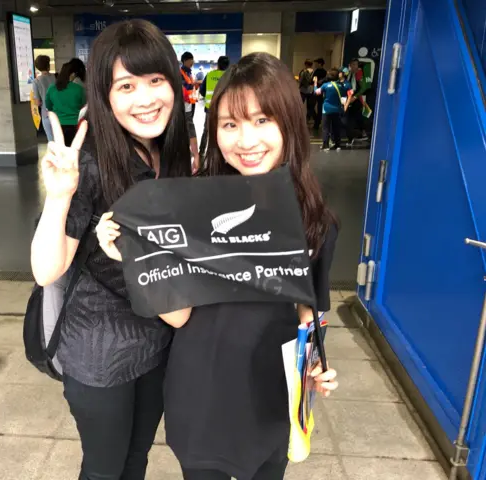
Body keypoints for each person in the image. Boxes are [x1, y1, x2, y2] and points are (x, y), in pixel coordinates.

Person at [96, 52, 339, 480]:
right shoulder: (192, 207)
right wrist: (130, 255)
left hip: (271, 399)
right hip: (202, 394)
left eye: (263, 121)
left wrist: (315, 362)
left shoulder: (315, 221)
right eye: (230, 124)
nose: (246, 141)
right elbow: (178, 314)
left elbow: (309, 313)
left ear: (291, 124)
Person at [31, 19, 191, 480]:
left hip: (158, 338)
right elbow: (47, 269)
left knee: (136, 460)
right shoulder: (93, 161)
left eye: (155, 80)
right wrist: (59, 196)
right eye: (126, 85)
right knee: (104, 469)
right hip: (99, 350)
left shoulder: (172, 152)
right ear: (105, 96)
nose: (145, 98)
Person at [45, 61, 86, 146]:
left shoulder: (52, 88)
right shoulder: (78, 88)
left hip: (58, 125)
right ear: (72, 74)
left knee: (61, 149)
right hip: (75, 124)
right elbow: (83, 104)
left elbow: (48, 106)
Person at [199, 56, 230, 158]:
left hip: (210, 108)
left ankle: (202, 152)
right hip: (224, 110)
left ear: (218, 64)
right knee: (222, 130)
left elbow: (202, 91)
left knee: (206, 130)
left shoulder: (210, 75)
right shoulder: (229, 76)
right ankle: (219, 153)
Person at [315, 68, 351, 151]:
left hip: (326, 110)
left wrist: (315, 83)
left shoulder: (325, 85)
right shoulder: (341, 86)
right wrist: (344, 106)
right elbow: (345, 96)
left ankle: (326, 145)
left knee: (326, 127)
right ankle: (338, 145)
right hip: (337, 109)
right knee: (336, 127)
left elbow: (316, 92)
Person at [343, 58, 370, 144]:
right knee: (349, 119)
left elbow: (364, 87)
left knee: (357, 118)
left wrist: (355, 97)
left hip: (356, 100)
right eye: (352, 65)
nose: (354, 67)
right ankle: (352, 136)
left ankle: (363, 133)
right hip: (348, 99)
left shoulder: (359, 74)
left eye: (356, 65)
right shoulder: (348, 74)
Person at [181, 51, 200, 170]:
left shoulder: (189, 72)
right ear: (185, 61)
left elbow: (190, 86)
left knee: (187, 128)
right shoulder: (180, 72)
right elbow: (183, 87)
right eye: (190, 60)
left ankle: (188, 150)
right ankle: (196, 155)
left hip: (190, 104)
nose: (192, 62)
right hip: (184, 106)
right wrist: (194, 84)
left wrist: (195, 85)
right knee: (190, 129)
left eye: (192, 59)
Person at [32, 55, 56, 141]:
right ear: (48, 65)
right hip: (59, 112)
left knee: (51, 140)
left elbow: (38, 102)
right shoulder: (56, 77)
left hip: (46, 113)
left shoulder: (36, 81)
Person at [298, 59, 317, 126]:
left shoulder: (303, 71)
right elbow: (314, 81)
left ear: (306, 64)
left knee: (299, 105)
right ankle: (309, 119)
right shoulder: (314, 72)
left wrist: (298, 86)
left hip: (303, 90)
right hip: (311, 90)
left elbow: (301, 80)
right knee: (310, 107)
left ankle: (298, 120)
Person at [312, 58, 328, 135]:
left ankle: (317, 123)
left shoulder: (324, 72)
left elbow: (327, 79)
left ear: (320, 63)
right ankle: (317, 121)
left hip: (321, 91)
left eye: (316, 63)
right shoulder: (316, 71)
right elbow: (313, 80)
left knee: (319, 108)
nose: (315, 65)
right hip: (315, 90)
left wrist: (321, 81)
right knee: (311, 106)